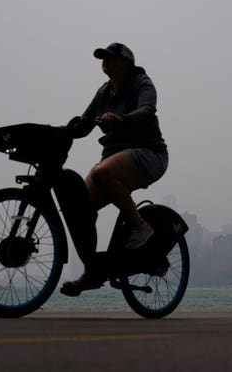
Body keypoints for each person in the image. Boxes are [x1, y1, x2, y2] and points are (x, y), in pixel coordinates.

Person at [61, 43, 168, 296]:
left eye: (110, 58)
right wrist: (64, 131)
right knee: (80, 209)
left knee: (101, 173)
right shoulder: (103, 92)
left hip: (148, 154)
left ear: (125, 63)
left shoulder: (142, 83)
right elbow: (85, 124)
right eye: (102, 59)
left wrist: (121, 118)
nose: (104, 62)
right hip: (114, 156)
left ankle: (141, 227)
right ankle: (92, 273)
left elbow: (147, 111)